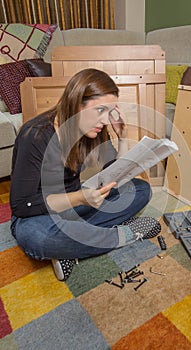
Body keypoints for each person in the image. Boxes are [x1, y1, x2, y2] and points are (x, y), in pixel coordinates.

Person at [10, 68, 161, 281]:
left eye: (110, 112)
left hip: (75, 207)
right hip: (37, 216)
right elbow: (21, 206)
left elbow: (114, 178)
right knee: (38, 239)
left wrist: (123, 138)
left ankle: (70, 247)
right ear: (77, 103)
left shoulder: (93, 130)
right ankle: (125, 234)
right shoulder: (34, 135)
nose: (105, 120)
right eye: (100, 110)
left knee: (141, 189)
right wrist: (80, 198)